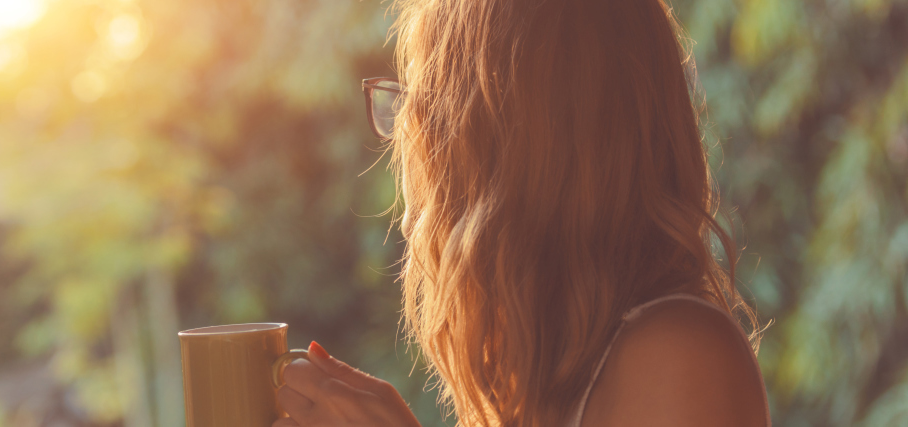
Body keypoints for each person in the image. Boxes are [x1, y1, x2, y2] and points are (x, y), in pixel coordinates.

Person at [273, 0, 772, 426]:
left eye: (427, 111)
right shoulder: (536, 384)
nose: (412, 145)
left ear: (504, 144)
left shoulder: (681, 356)